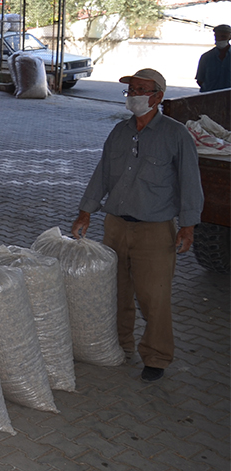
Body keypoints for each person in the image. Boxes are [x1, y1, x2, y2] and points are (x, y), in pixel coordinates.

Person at [71, 68, 203, 384]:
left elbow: (189, 182)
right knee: (116, 291)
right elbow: (102, 173)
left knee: (153, 297)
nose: (133, 95)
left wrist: (188, 226)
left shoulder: (175, 135)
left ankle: (156, 356)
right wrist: (85, 212)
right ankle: (119, 346)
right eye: (130, 90)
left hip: (154, 231)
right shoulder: (119, 132)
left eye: (141, 89)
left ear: (157, 96)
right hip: (115, 226)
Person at [195, 24, 230, 93]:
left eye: (223, 37)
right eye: (217, 36)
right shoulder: (206, 57)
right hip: (210, 99)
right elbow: (200, 80)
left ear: (229, 37)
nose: (219, 39)